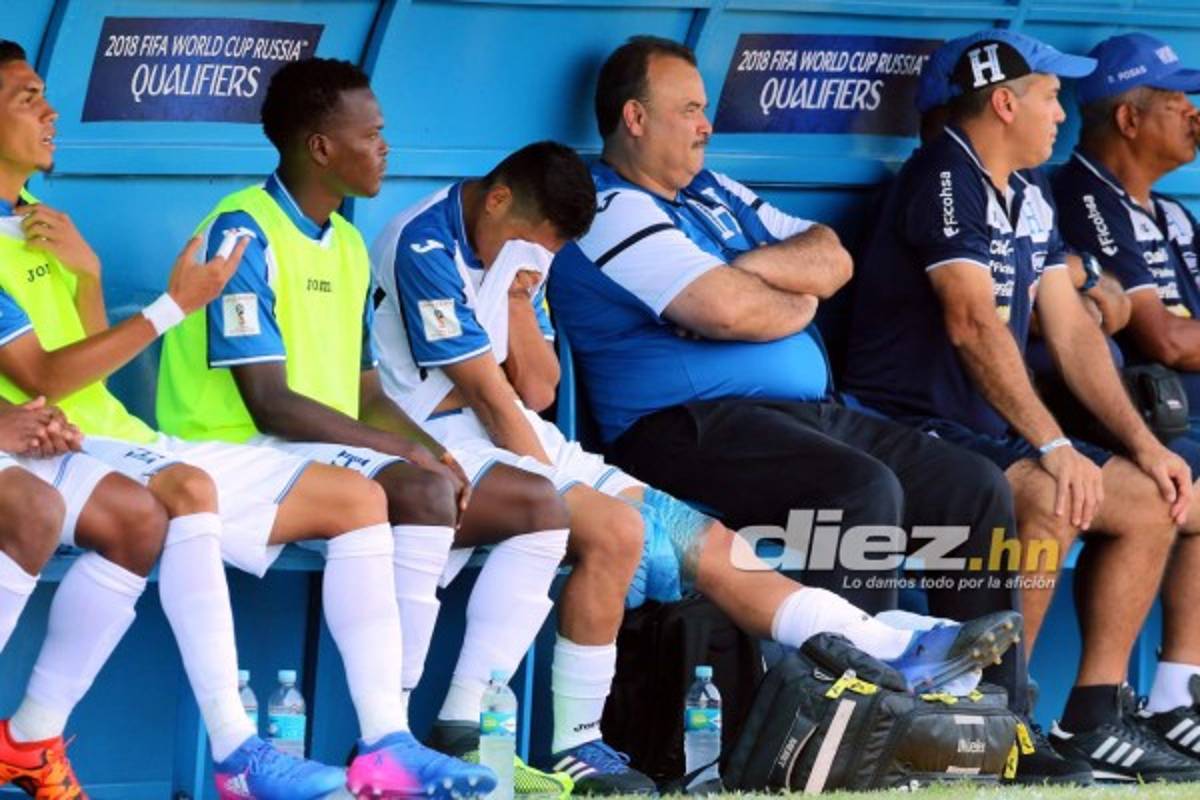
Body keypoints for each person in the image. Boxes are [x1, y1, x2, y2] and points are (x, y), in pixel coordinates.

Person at [369, 139, 1023, 789]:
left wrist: (514, 302)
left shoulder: (523, 249)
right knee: (619, 529)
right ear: (502, 197)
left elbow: (536, 391)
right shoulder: (424, 240)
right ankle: (568, 745)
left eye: (546, 250)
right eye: (532, 241)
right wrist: (565, 478)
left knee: (716, 549)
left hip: (525, 439)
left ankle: (889, 647)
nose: (537, 258)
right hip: (448, 445)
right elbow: (491, 398)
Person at [0, 41, 491, 800]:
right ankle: (235, 753)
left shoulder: (44, 224)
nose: (52, 110)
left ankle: (389, 741)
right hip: (115, 442)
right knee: (183, 491)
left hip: (106, 434)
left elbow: (80, 358)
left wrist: (90, 272)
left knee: (366, 499)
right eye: (28, 98)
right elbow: (44, 379)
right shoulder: (243, 226)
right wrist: (173, 305)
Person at [545, 33, 1041, 776]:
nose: (706, 124)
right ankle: (848, 736)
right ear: (634, 119)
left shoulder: (715, 194)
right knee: (859, 491)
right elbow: (723, 310)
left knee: (971, 488)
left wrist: (751, 274)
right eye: (687, 110)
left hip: (800, 415)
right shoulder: (606, 205)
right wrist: (776, 295)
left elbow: (828, 256)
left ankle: (994, 736)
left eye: (707, 108)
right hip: (678, 430)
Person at [153, 58, 582, 795]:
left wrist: (427, 448)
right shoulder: (242, 231)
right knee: (405, 490)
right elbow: (268, 402)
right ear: (321, 147)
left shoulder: (346, 245)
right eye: (373, 133)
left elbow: (362, 391)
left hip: (305, 454)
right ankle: (388, 739)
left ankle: (397, 739)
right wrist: (396, 449)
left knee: (456, 490)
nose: (387, 148)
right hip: (229, 449)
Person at [843, 28, 1200, 782]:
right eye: (1048, 96)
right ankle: (999, 723)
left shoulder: (1029, 190)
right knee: (1048, 496)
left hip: (977, 431)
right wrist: (1055, 444)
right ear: (1003, 102)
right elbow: (971, 320)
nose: (1063, 116)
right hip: (898, 426)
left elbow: (1071, 331)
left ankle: (1094, 714)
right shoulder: (946, 174)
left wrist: (1143, 445)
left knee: (1150, 499)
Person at [1053, 31, 1200, 762]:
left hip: (1182, 407)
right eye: (1180, 102)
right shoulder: (1082, 195)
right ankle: (1147, 698)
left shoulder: (1173, 213)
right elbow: (1165, 342)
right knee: (1186, 483)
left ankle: (1179, 691)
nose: (1195, 115)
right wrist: (1181, 334)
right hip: (1133, 414)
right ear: (1129, 120)